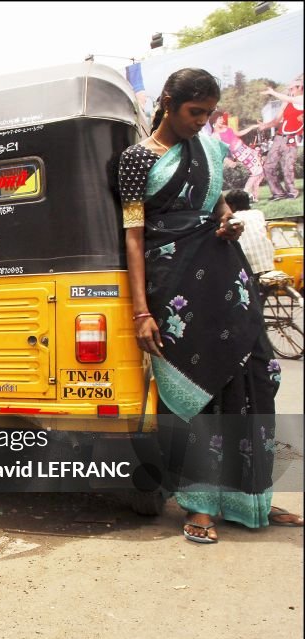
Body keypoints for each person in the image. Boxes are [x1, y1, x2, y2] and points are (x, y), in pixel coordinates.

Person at [115, 67, 303, 544]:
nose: (202, 122)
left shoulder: (210, 150)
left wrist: (227, 223)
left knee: (254, 380)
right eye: (194, 112)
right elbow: (133, 237)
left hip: (225, 275)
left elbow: (216, 203)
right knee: (201, 392)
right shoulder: (137, 160)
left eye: (208, 113)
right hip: (175, 286)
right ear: (168, 104)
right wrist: (141, 311)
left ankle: (253, 496)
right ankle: (200, 505)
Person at [257, 76, 303, 202]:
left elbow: (288, 98)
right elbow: (277, 121)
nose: (290, 90)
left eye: (292, 88)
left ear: (300, 88)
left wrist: (272, 92)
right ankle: (278, 193)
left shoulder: (301, 100)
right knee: (268, 166)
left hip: (291, 138)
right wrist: (265, 125)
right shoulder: (287, 102)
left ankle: (292, 192)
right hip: (279, 137)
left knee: (287, 167)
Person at [209, 111, 265, 203]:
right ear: (213, 121)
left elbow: (238, 134)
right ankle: (246, 192)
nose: (222, 120)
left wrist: (251, 127)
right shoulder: (215, 136)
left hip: (246, 149)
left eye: (222, 118)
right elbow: (218, 152)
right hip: (240, 153)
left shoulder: (226, 127)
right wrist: (228, 161)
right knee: (256, 172)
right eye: (219, 118)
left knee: (260, 173)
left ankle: (255, 197)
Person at [225, 188, 274, 280]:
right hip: (267, 262)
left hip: (247, 266)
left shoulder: (232, 219)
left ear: (233, 205)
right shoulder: (258, 213)